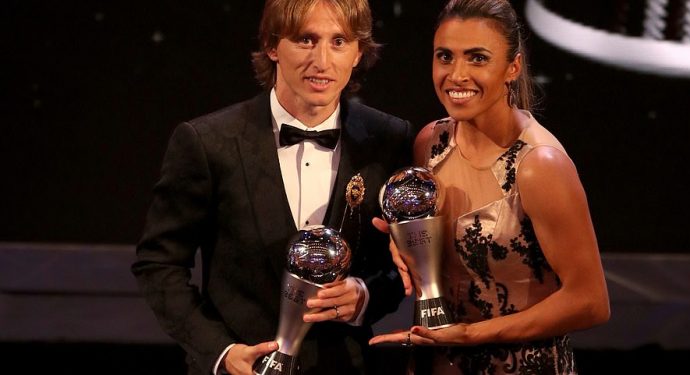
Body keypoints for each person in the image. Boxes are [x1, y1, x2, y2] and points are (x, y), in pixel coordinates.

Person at [131, 0, 414, 374]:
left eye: (339, 41)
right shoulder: (207, 142)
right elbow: (158, 263)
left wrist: (365, 296)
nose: (323, 61)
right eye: (306, 39)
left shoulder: (388, 139)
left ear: (359, 52)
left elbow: (403, 264)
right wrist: (221, 352)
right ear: (271, 45)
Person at [369, 0, 611, 374]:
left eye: (477, 58)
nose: (456, 75)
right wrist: (401, 241)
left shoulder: (539, 166)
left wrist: (470, 335)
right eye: (445, 56)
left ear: (512, 67)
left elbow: (591, 301)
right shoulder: (429, 144)